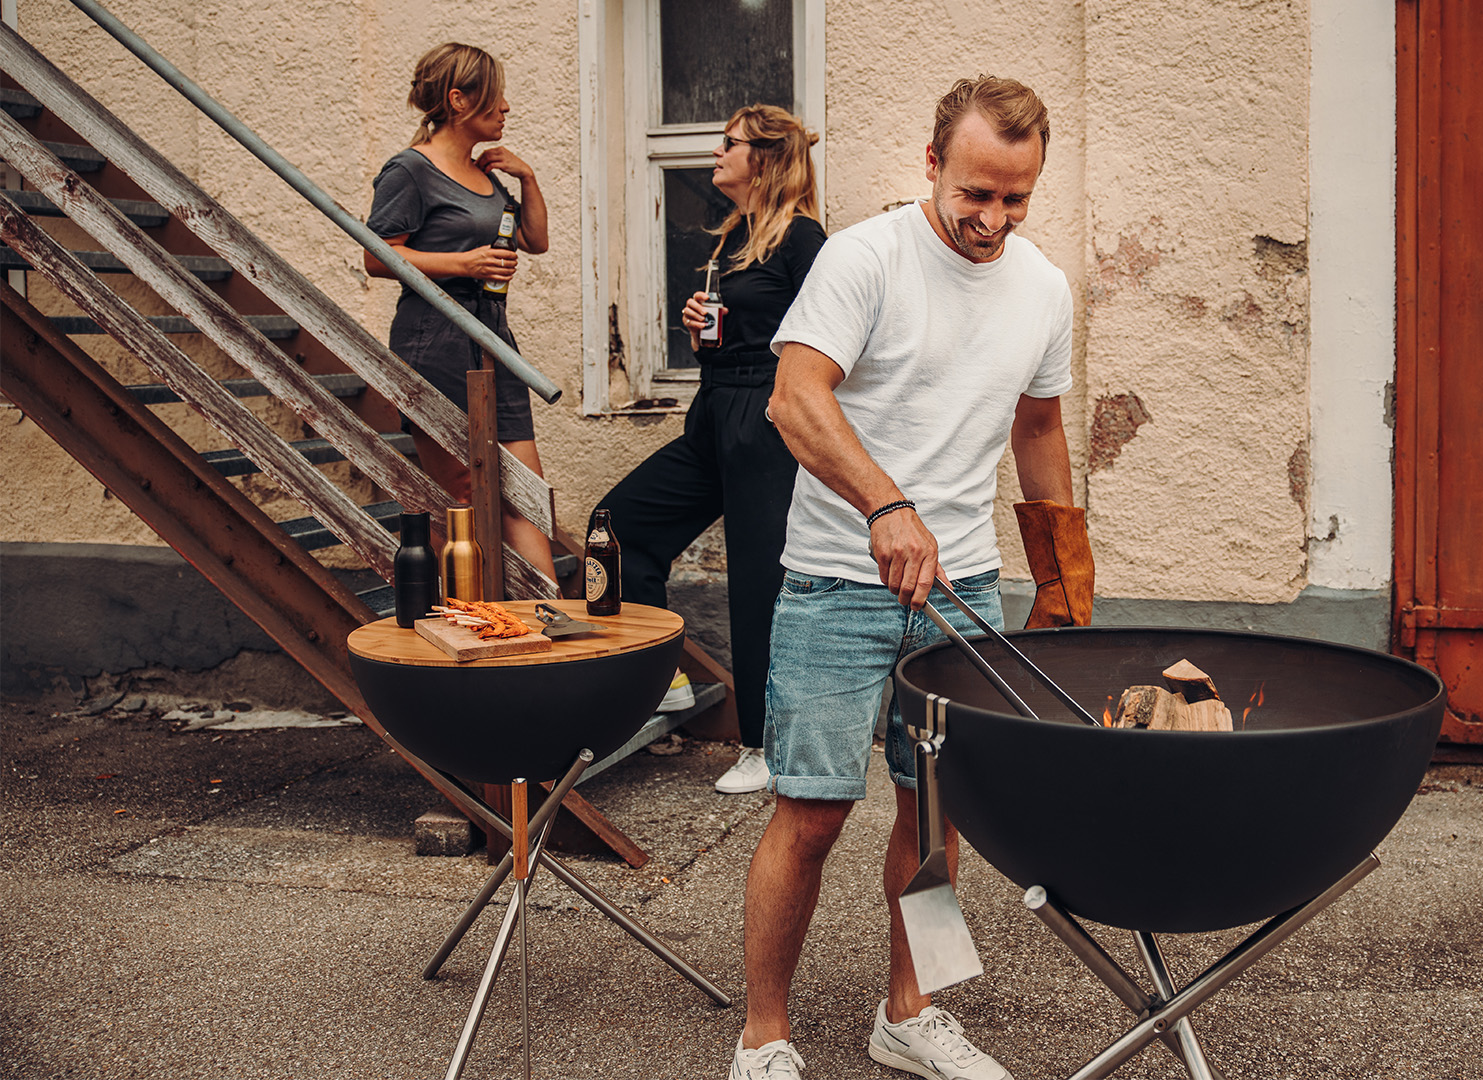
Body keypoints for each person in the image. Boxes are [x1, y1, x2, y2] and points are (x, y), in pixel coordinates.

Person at [729, 76, 1083, 1080]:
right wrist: (885, 505)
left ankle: (910, 1012)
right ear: (932, 165)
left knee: (935, 816)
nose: (993, 219)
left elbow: (1041, 426)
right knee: (811, 812)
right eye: (976, 193)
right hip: (836, 584)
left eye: (1015, 199)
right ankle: (763, 1035)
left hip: (961, 587)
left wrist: (1060, 577)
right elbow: (796, 403)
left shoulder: (1044, 288)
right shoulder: (865, 259)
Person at [595, 105, 826, 794]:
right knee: (620, 526)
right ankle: (657, 678)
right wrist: (702, 334)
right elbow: (736, 333)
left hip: (766, 418)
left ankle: (765, 745)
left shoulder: (804, 239)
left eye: (729, 144)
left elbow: (829, 340)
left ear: (764, 159)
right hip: (712, 412)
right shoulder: (734, 236)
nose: (715, 154)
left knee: (757, 587)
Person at [366, 42, 557, 584]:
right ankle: (472, 628)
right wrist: (461, 263)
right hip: (436, 337)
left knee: (524, 490)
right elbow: (377, 255)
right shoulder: (410, 170)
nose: (506, 108)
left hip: (493, 335)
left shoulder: (486, 173)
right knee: (465, 495)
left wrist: (529, 179)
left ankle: (556, 624)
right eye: (496, 97)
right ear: (457, 100)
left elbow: (534, 241)